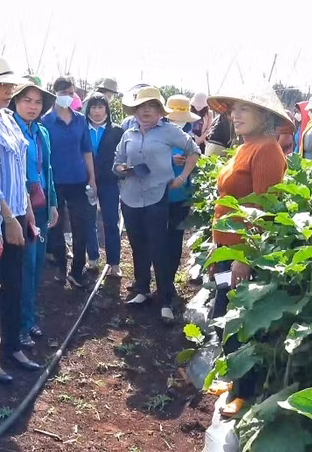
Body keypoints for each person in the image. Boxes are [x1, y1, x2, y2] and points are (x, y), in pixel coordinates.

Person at [206, 84, 293, 417]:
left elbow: (263, 209)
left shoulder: (268, 150)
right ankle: (232, 378)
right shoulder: (246, 147)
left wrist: (245, 256)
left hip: (245, 252)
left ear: (265, 116)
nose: (235, 115)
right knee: (225, 316)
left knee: (243, 321)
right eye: (234, 109)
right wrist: (219, 245)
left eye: (245, 109)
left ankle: (245, 392)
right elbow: (227, 206)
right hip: (229, 249)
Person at [0, 59, 42, 386]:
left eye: (9, 86)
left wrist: (26, 211)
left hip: (17, 211)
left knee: (15, 283)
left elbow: (18, 169)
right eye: (2, 85)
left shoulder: (8, 120)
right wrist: (7, 219)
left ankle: (12, 346)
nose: (8, 91)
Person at [114, 87, 201, 324]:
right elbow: (117, 161)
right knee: (137, 243)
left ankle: (165, 299)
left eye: (151, 107)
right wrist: (122, 169)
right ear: (135, 110)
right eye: (142, 107)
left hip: (156, 196)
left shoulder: (169, 132)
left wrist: (182, 177)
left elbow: (194, 150)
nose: (146, 111)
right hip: (130, 197)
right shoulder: (128, 134)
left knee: (158, 246)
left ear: (160, 111)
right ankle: (142, 289)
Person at [10, 79, 60, 348]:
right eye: (26, 100)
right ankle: (18, 325)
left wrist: (53, 202)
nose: (32, 106)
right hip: (20, 209)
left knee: (37, 265)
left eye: (38, 102)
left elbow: (47, 170)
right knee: (23, 267)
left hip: (40, 208)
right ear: (15, 102)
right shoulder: (10, 129)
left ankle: (29, 319)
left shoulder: (41, 132)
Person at [42, 76, 97, 288]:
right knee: (55, 226)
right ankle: (60, 266)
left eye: (71, 92)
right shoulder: (45, 121)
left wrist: (92, 177)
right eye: (64, 92)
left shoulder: (79, 120)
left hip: (78, 180)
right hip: (54, 182)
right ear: (55, 94)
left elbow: (87, 150)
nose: (68, 96)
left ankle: (77, 269)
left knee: (81, 225)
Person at [83, 92, 124, 277]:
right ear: (88, 110)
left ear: (106, 109)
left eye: (100, 107)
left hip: (109, 182)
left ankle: (114, 263)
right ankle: (92, 257)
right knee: (88, 220)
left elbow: (123, 155)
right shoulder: (82, 129)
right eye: (93, 107)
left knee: (110, 221)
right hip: (86, 181)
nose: (97, 111)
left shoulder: (116, 131)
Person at [165, 95, 202, 288]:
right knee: (159, 236)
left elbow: (198, 160)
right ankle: (160, 277)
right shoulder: (158, 134)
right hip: (161, 193)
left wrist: (188, 164)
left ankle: (169, 278)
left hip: (182, 193)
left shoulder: (190, 137)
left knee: (176, 236)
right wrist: (169, 161)